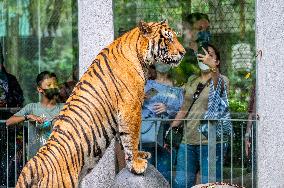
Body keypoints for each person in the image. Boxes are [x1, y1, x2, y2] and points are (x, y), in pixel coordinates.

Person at [171, 43, 230, 187]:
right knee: (181, 183)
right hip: (187, 141)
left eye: (210, 54)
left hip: (211, 143)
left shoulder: (222, 79)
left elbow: (218, 88)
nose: (205, 57)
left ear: (217, 61)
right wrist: (171, 130)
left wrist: (213, 68)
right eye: (203, 54)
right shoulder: (192, 80)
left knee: (208, 185)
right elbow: (184, 108)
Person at [140, 62, 184, 182]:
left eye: (166, 61)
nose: (163, 63)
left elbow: (183, 111)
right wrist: (141, 99)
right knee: (145, 174)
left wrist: (167, 109)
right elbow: (138, 105)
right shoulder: (150, 85)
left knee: (164, 175)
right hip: (147, 134)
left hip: (167, 136)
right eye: (160, 60)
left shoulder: (177, 88)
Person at [6, 71, 64, 158]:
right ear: (40, 89)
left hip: (57, 158)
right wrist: (28, 116)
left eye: (55, 84)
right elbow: (9, 122)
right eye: (49, 85)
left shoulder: (64, 108)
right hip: (35, 160)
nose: (53, 87)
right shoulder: (31, 107)